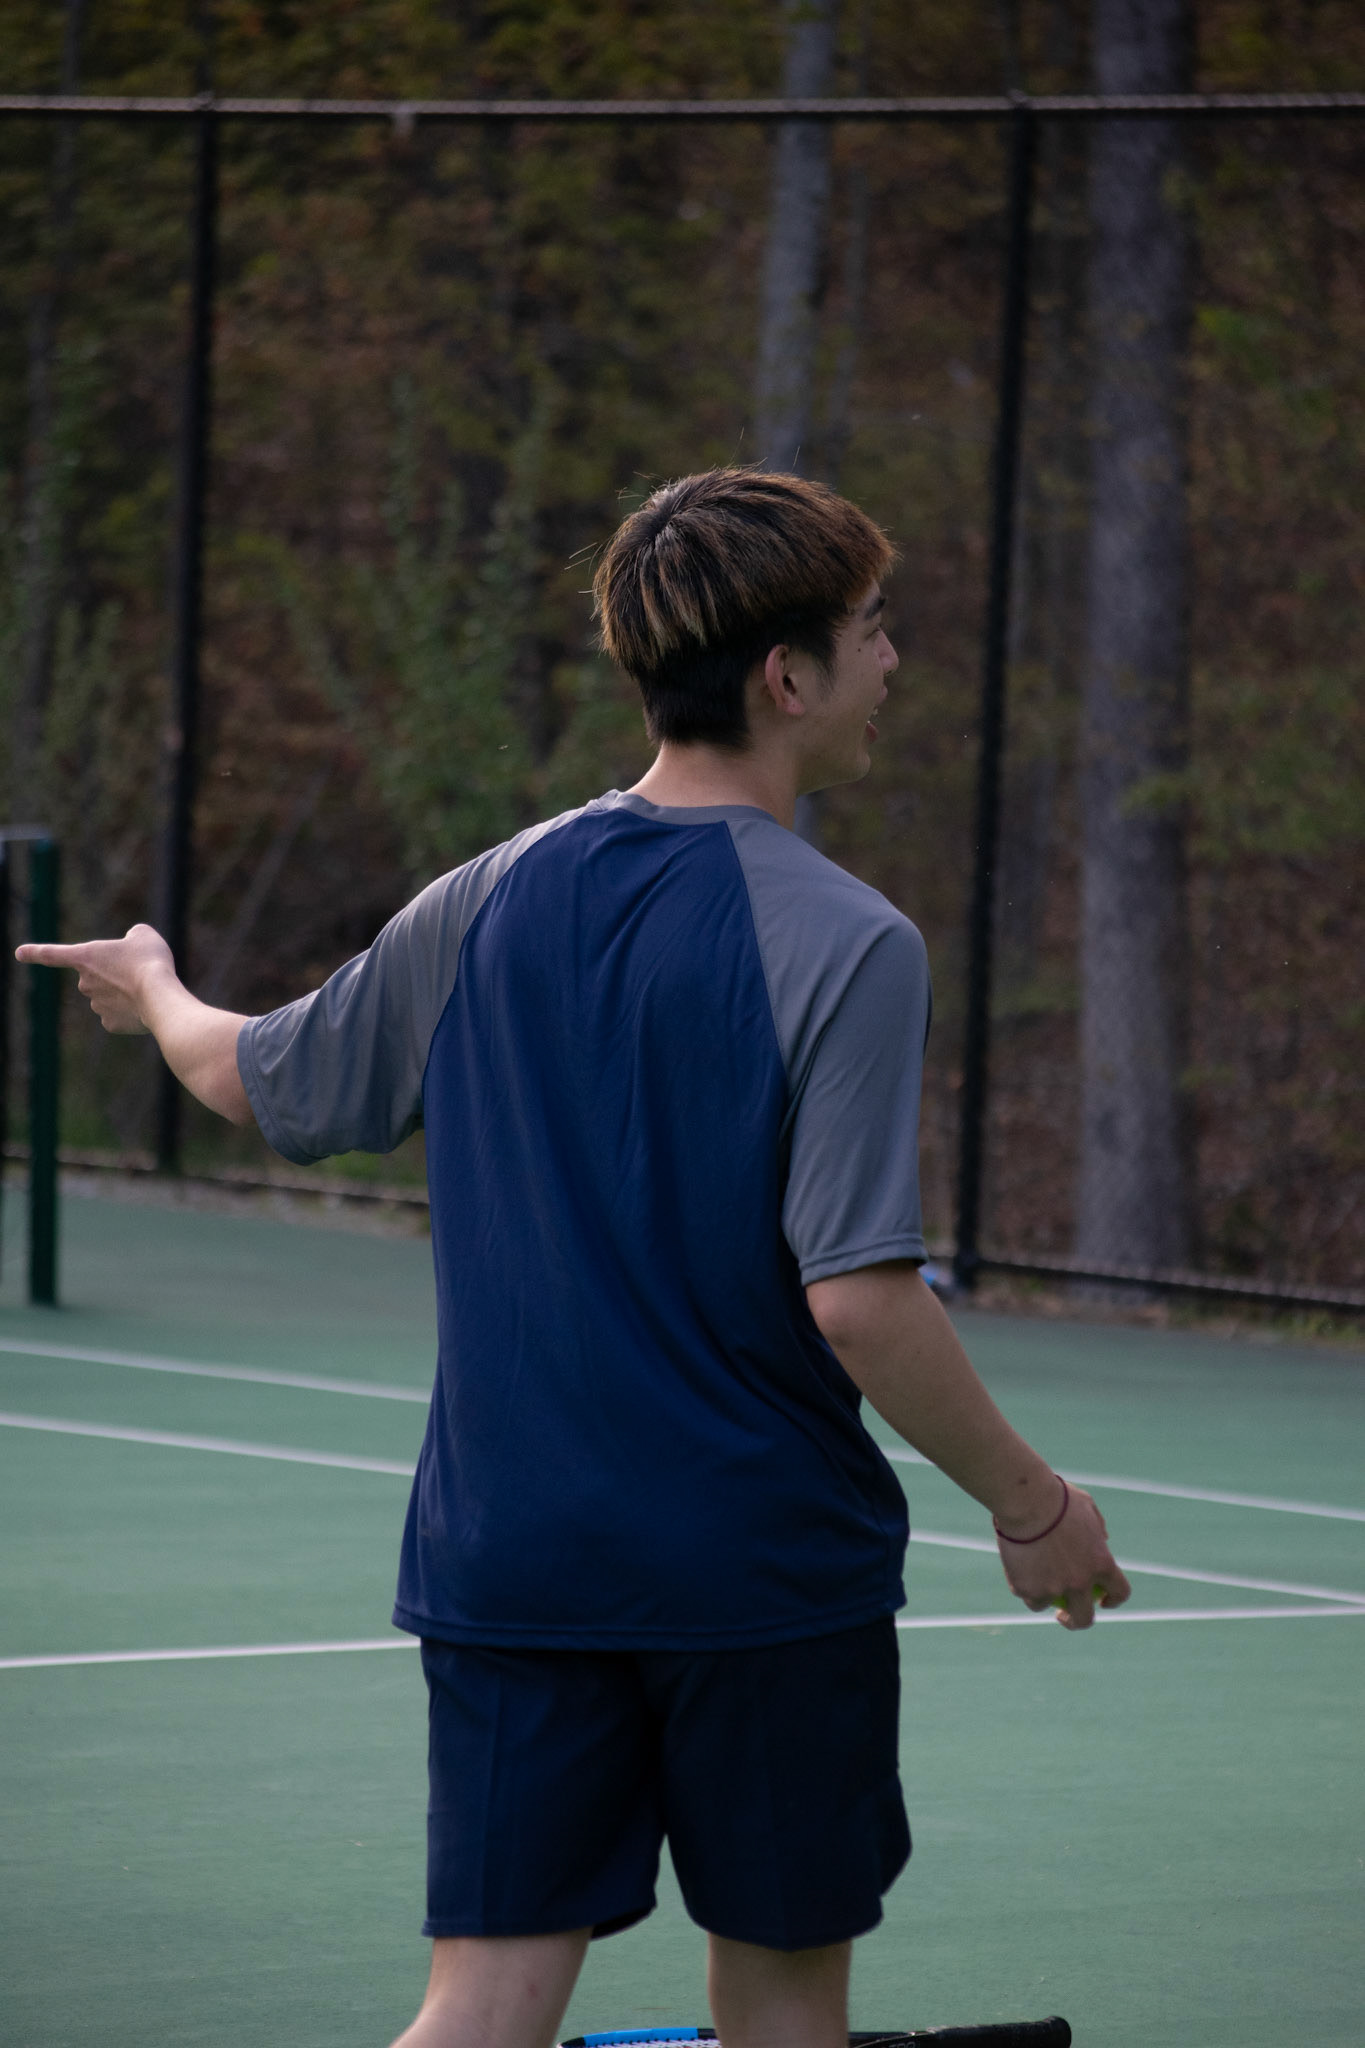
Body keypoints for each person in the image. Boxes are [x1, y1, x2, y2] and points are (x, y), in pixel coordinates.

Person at [21, 467, 1131, 2048]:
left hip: (512, 1563)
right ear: (787, 676)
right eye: (874, 629)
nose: (893, 660)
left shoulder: (484, 894)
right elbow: (858, 1301)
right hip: (760, 1578)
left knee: (479, 2009)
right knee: (781, 2015)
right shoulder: (852, 942)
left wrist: (153, 985)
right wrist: (1034, 1508)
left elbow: (247, 1074)